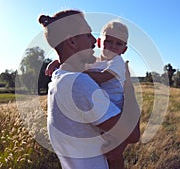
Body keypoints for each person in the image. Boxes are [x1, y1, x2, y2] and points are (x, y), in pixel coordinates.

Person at [38, 9, 140, 169]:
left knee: (113, 152)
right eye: (88, 35)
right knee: (114, 151)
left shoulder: (58, 78)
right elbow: (134, 134)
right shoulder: (78, 83)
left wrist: (60, 62)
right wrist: (129, 88)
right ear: (72, 42)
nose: (94, 40)